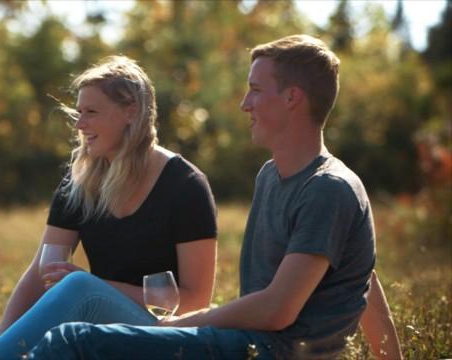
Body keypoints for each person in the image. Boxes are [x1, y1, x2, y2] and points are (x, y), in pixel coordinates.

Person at [24, 35, 402, 359]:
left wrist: (179, 325)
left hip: (265, 350)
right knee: (74, 338)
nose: (244, 103)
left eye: (255, 90)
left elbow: (276, 312)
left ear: (292, 98)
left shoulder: (328, 188)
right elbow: (360, 274)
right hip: (246, 341)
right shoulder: (272, 176)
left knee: (71, 342)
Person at [0, 56, 218, 359]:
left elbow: (196, 300)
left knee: (78, 287)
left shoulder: (185, 185)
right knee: (77, 290)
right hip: (102, 329)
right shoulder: (79, 183)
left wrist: (95, 287)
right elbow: (39, 274)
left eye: (92, 112)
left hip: (167, 334)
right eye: (79, 113)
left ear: (131, 112)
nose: (80, 124)